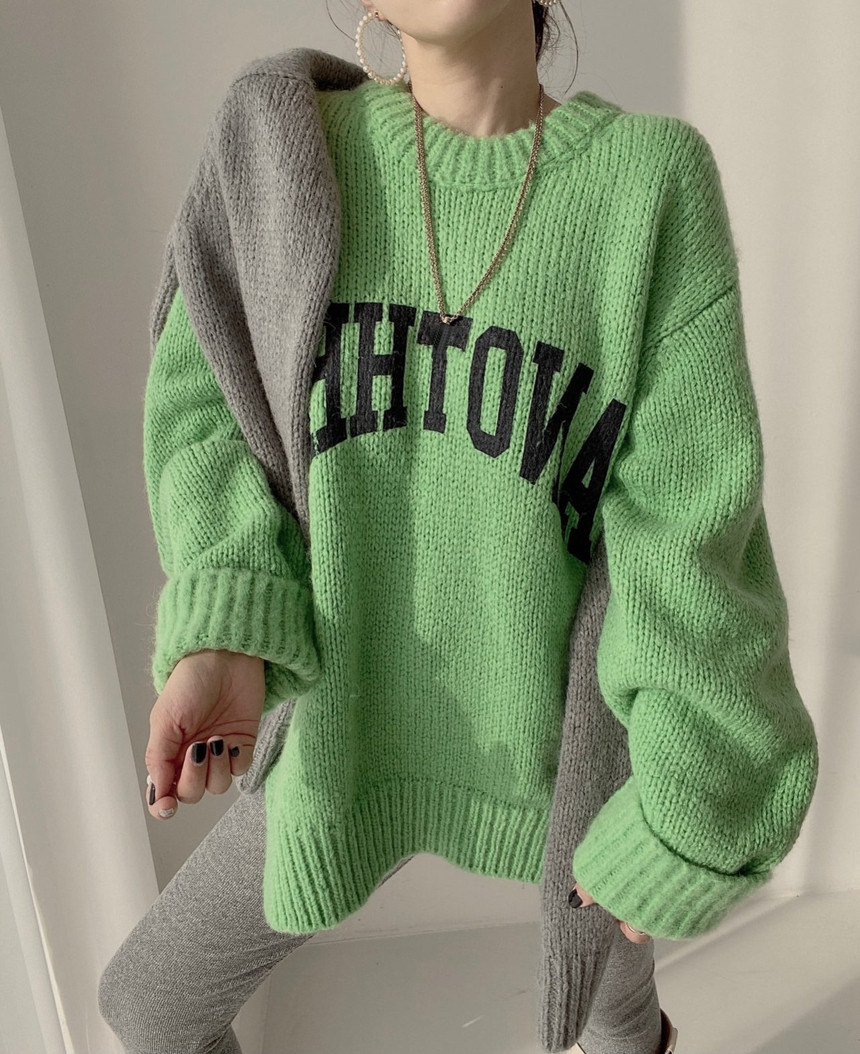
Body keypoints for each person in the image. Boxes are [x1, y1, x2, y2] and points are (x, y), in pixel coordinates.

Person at [97, 3, 820, 1053]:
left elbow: (689, 532)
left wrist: (685, 804)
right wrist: (227, 626)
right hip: (343, 730)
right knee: (149, 1003)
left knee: (614, 1017)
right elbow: (205, 399)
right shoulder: (284, 149)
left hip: (565, 760)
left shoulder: (646, 185)